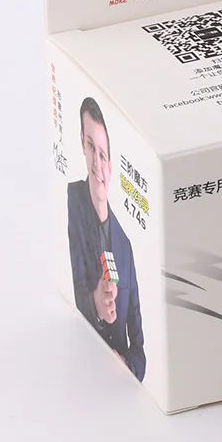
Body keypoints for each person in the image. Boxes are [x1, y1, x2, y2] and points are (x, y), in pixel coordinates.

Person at [67, 97, 146, 382]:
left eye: (102, 155)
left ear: (111, 166)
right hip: (79, 366)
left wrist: (126, 365)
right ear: (81, 143)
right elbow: (74, 291)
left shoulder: (125, 245)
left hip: (117, 382)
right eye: (91, 147)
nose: (96, 164)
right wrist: (96, 305)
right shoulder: (73, 201)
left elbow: (138, 343)